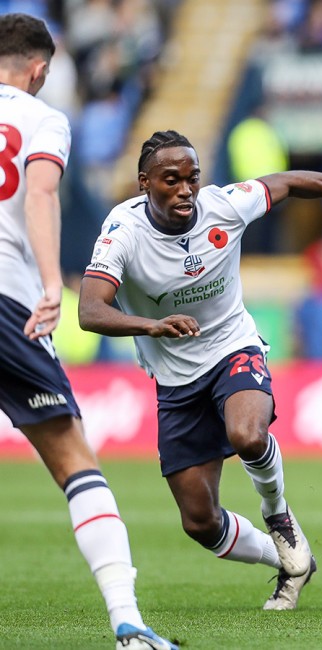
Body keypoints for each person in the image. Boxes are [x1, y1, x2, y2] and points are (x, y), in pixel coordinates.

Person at [78, 130, 322, 611]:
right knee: (200, 523)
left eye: (192, 178)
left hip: (233, 348)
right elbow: (89, 310)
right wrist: (153, 325)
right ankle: (290, 561)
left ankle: (278, 515)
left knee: (248, 434)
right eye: (171, 180)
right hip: (175, 380)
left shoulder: (224, 206)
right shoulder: (122, 232)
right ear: (144, 183)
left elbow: (289, 181)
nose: (186, 189)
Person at [0, 13, 178, 650]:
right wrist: (53, 282)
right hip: (8, 302)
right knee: (74, 460)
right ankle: (128, 623)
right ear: (41, 70)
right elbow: (40, 192)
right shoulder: (43, 119)